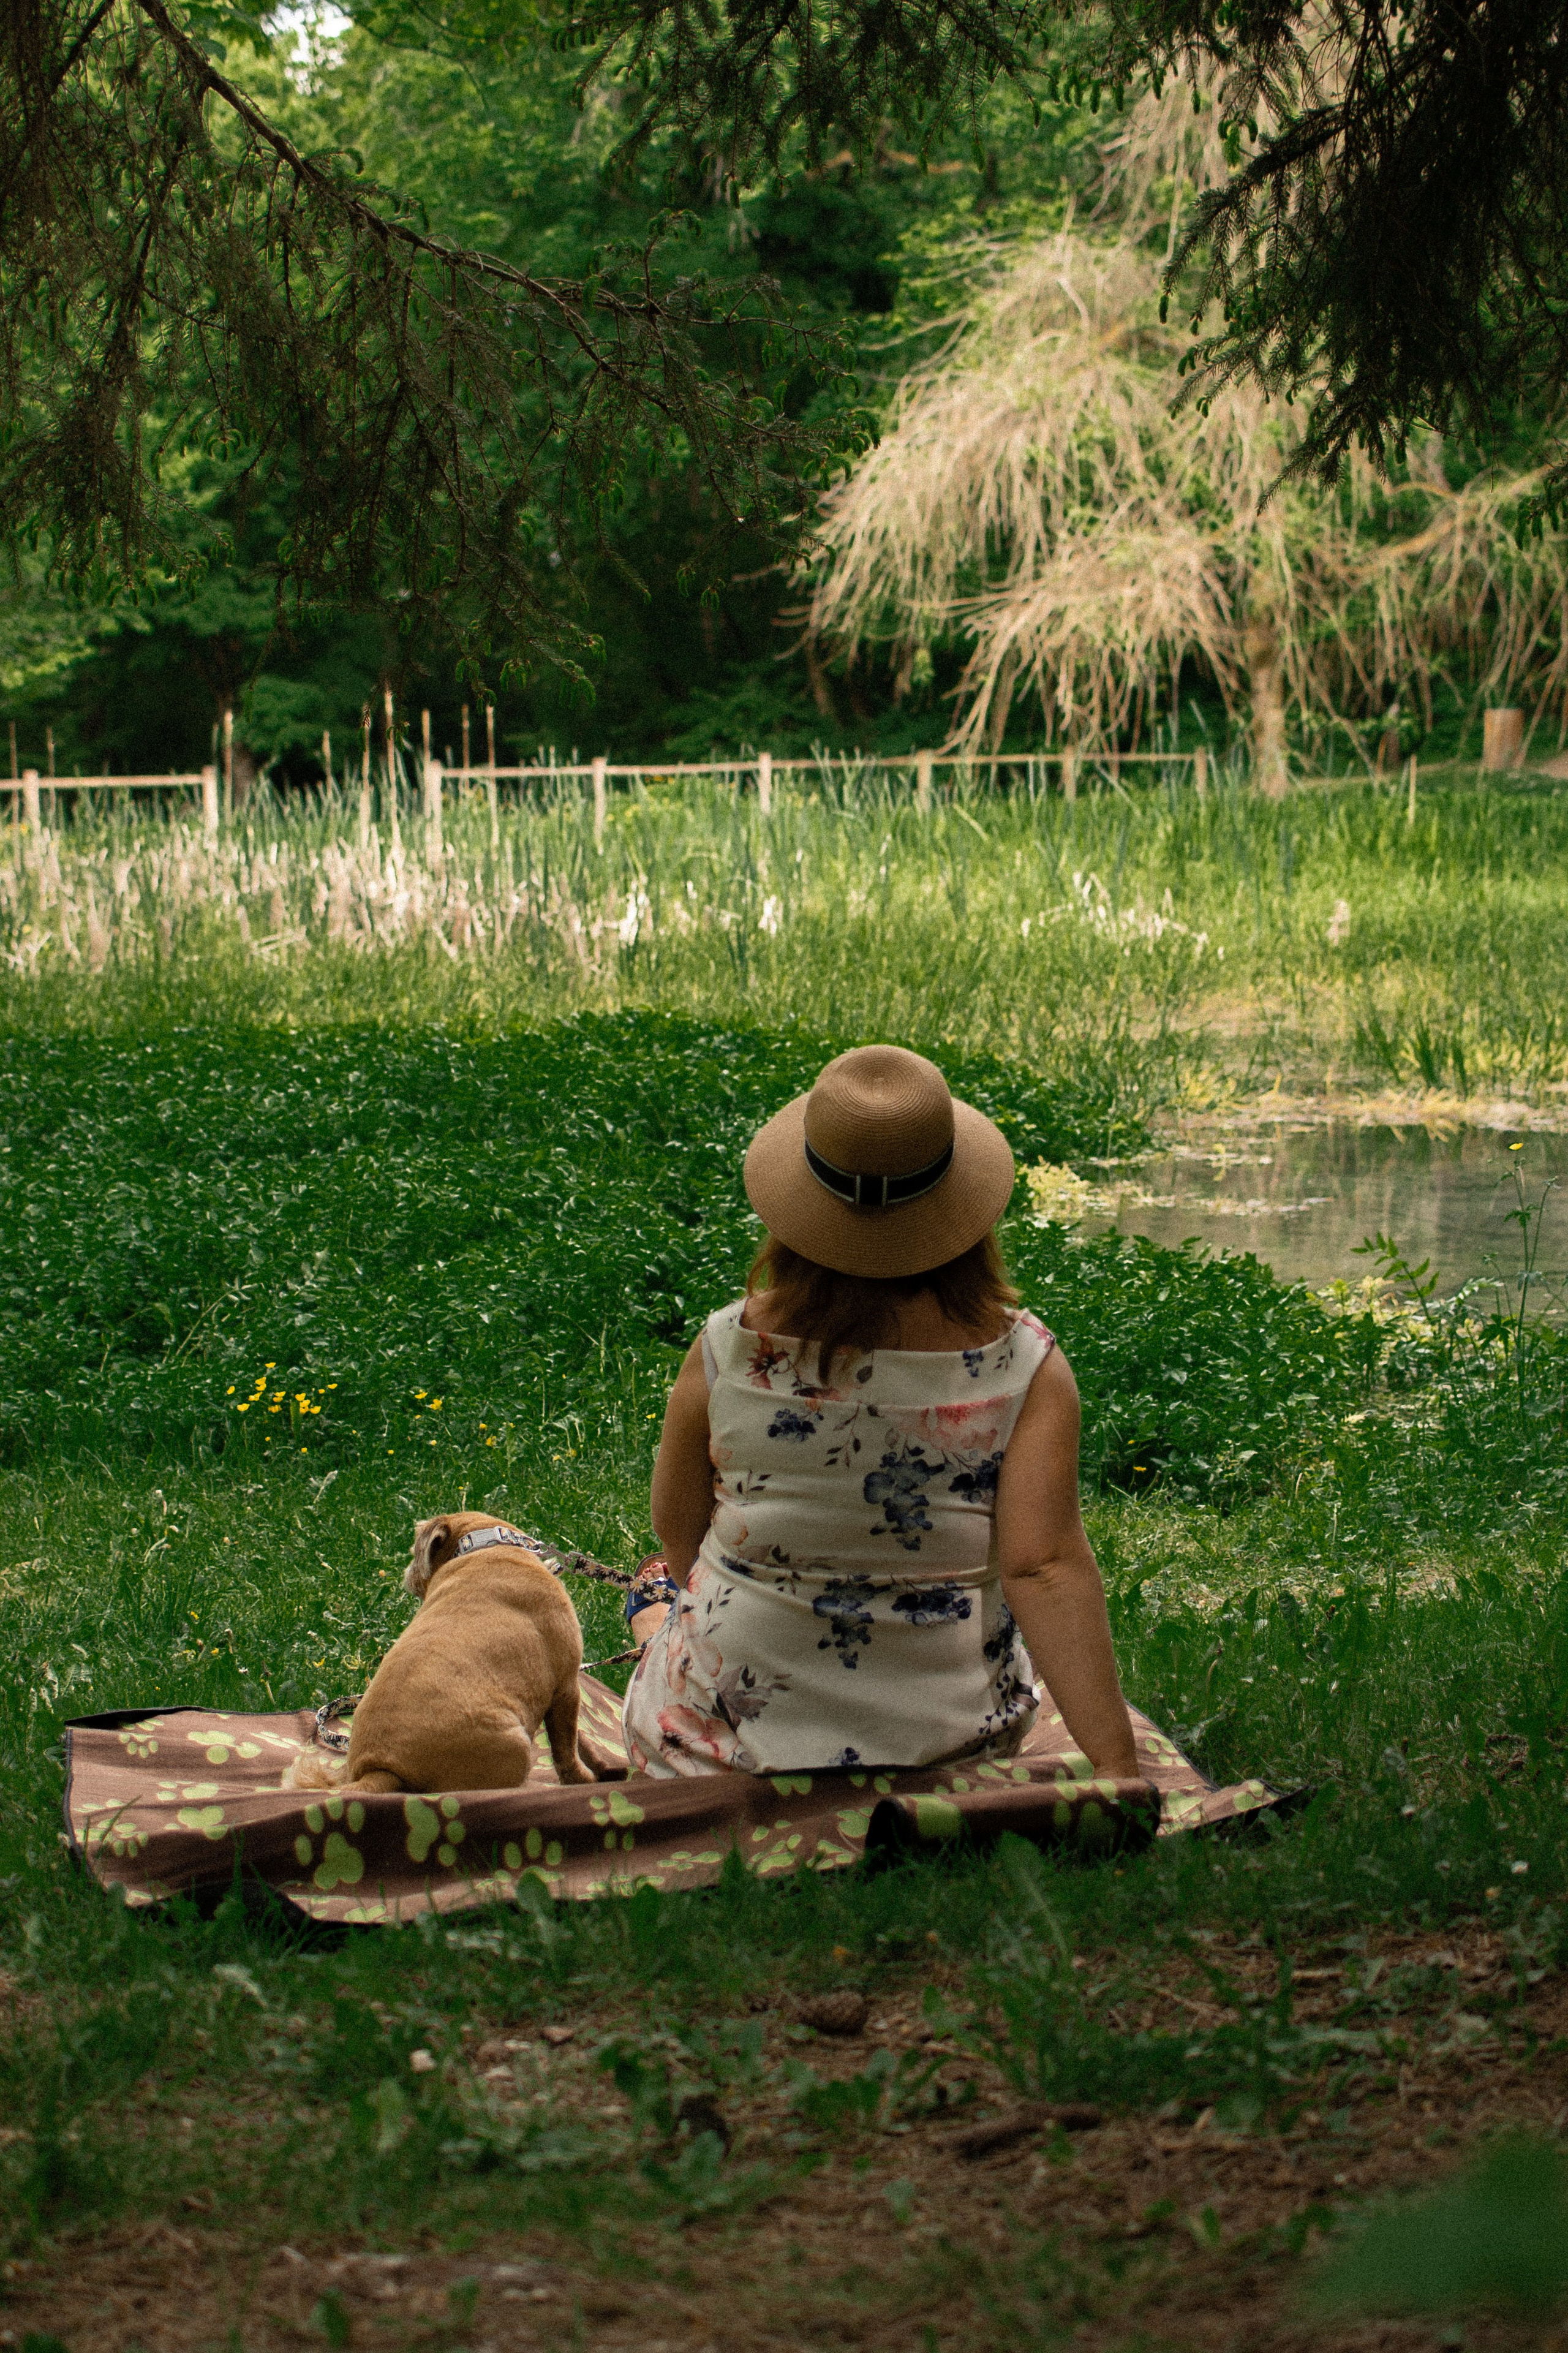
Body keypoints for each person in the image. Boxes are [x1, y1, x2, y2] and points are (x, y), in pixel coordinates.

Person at [620, 1044, 1142, 1784]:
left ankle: (651, 1626)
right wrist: (1118, 1767)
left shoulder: (728, 1349)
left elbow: (678, 1530)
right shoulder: (1023, 1366)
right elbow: (1045, 1567)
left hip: (717, 1753)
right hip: (947, 1750)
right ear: (959, 1205)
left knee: (659, 1593)